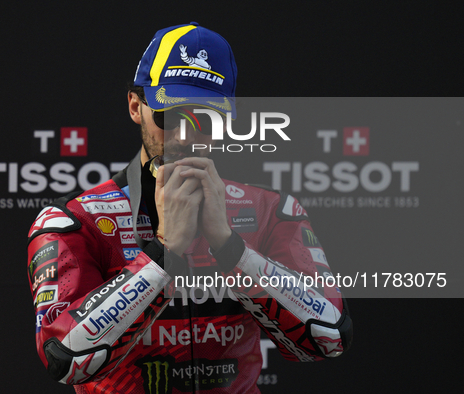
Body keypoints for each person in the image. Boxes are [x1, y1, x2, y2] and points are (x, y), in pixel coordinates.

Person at [27, 22, 352, 394]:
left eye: (205, 119)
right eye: (169, 115)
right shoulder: (74, 221)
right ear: (136, 106)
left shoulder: (271, 210)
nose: (185, 135)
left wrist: (231, 249)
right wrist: (162, 256)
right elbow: (64, 357)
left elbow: (328, 337)